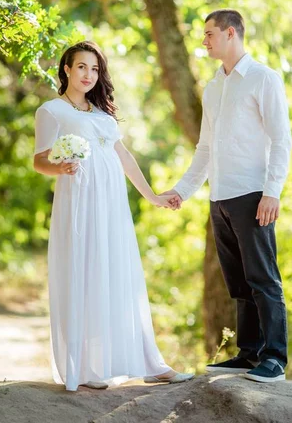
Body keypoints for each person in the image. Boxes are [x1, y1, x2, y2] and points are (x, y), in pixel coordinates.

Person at [33, 40, 193, 391]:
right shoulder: (51, 111)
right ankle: (87, 368)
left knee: (119, 272)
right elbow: (39, 160)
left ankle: (150, 363)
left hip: (112, 204)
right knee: (85, 271)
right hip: (79, 202)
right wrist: (60, 169)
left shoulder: (102, 113)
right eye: (81, 67)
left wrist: (151, 195)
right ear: (66, 69)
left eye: (94, 68)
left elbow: (123, 155)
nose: (89, 75)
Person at [164, 9, 292, 383]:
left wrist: (272, 192)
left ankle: (275, 358)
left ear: (230, 33)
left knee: (263, 278)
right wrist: (182, 191)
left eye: (209, 34)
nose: (203, 41)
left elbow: (281, 140)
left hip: (253, 195)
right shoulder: (213, 87)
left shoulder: (263, 79)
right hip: (219, 198)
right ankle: (249, 353)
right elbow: (204, 149)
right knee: (238, 282)